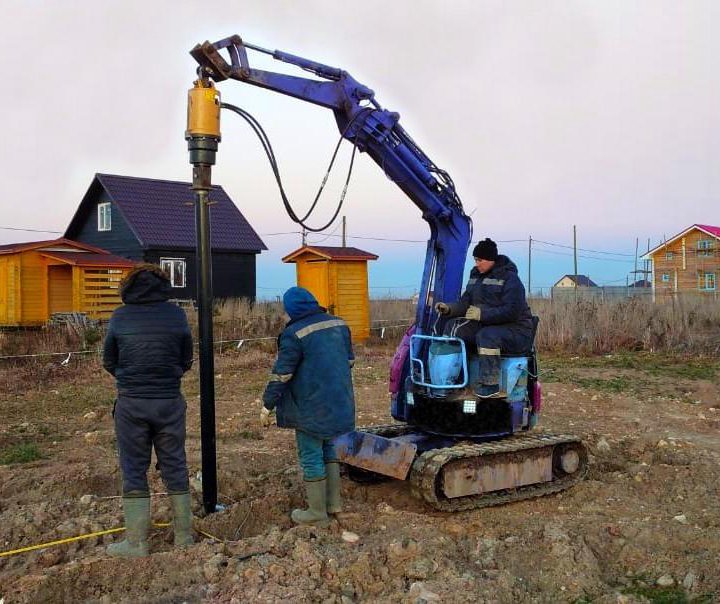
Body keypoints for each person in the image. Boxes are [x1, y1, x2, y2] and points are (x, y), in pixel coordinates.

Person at [102, 264, 194, 557]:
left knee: (133, 469)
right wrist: (168, 376)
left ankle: (136, 543)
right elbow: (187, 358)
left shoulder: (120, 316)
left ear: (127, 287)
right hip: (169, 400)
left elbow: (109, 360)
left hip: (132, 403)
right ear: (163, 285)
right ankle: (184, 538)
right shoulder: (176, 314)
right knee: (175, 465)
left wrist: (130, 379)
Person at [261, 286, 355, 528]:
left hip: (310, 407)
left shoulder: (294, 333)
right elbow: (349, 361)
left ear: (291, 309)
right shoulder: (339, 325)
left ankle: (316, 513)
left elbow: (282, 374)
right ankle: (334, 505)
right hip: (339, 403)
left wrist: (267, 404)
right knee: (330, 451)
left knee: (311, 455)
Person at [435, 238, 534, 398]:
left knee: (487, 335)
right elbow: (466, 302)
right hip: (489, 324)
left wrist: (482, 314)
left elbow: (512, 311)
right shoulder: (476, 277)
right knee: (453, 327)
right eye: (475, 260)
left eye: (480, 260)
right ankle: (455, 380)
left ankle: (490, 384)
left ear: (490, 259)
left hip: (517, 329)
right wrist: (449, 309)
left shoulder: (510, 279)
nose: (477, 264)